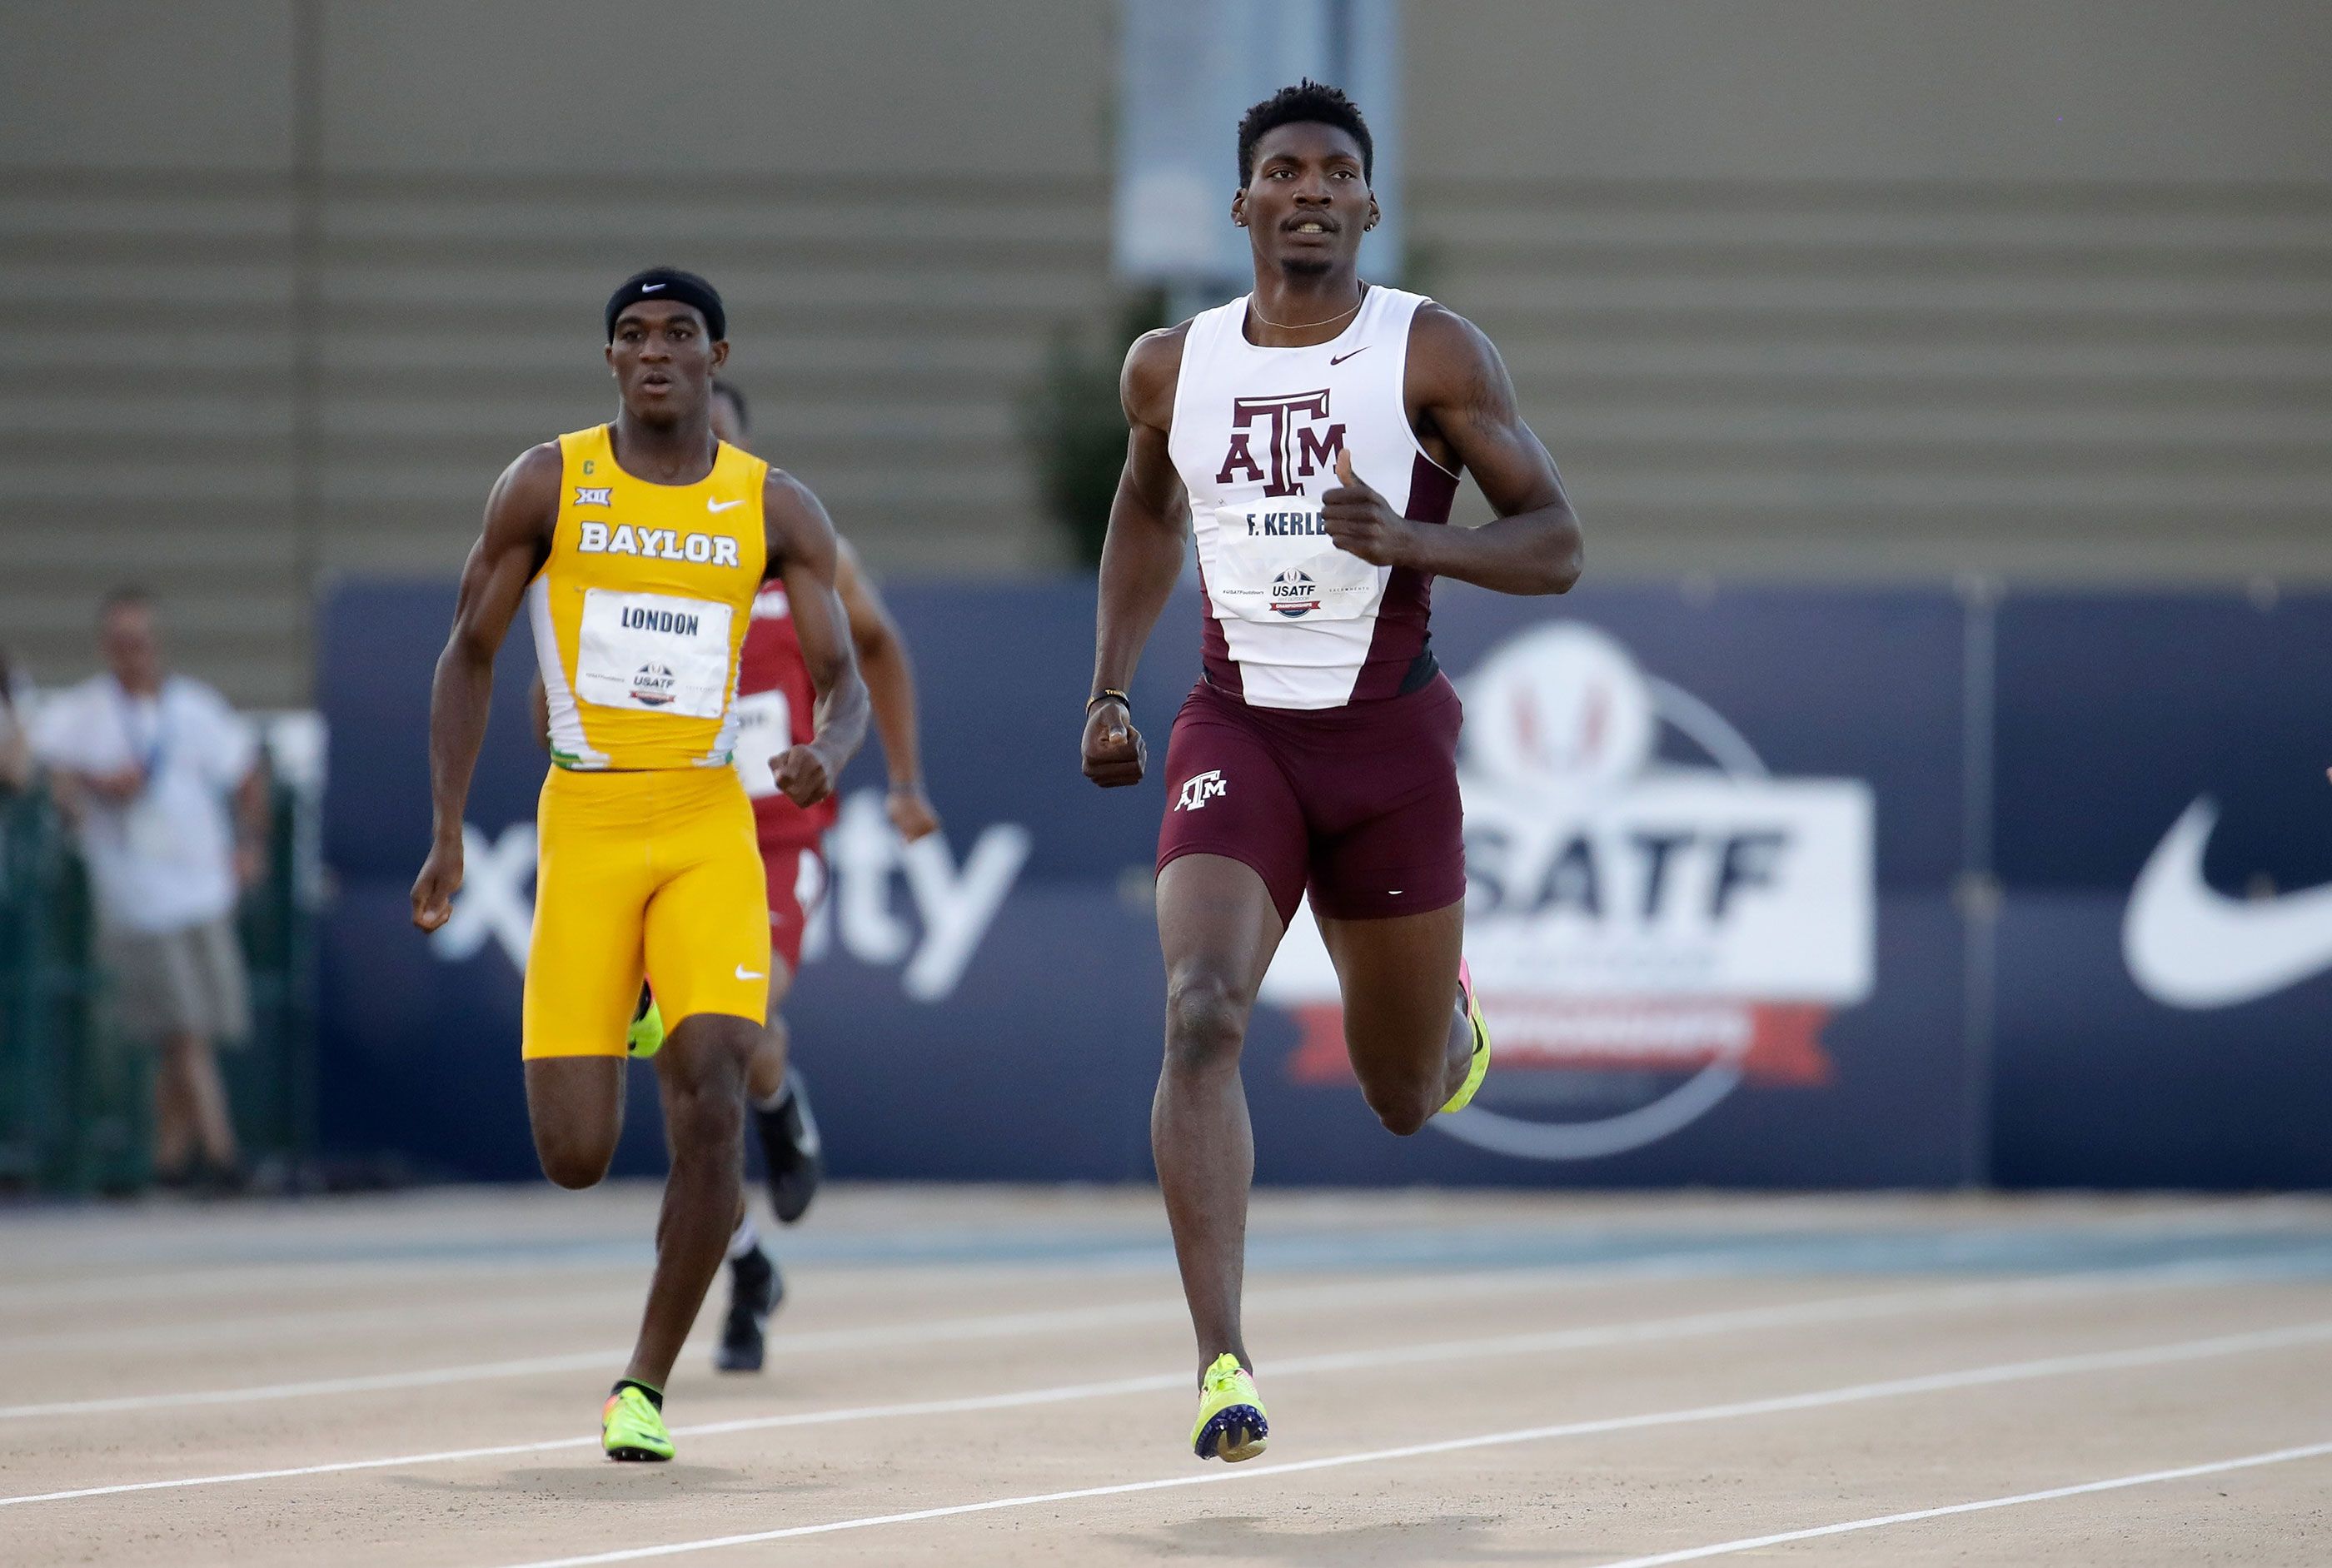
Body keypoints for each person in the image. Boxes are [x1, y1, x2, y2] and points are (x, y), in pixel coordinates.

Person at [1081, 81, 1582, 1462]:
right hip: (1236, 732)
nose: (1309, 191)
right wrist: (1112, 684)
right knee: (1199, 1013)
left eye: (1335, 173)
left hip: (1388, 744)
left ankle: (1445, 1025)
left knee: (1405, 1094)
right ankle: (1221, 1360)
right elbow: (1143, 507)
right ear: (1243, 202)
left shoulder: (1429, 351)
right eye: (1283, 171)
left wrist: (1414, 543)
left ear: (1369, 202)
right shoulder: (1169, 367)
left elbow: (1556, 543)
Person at [410, 267, 869, 1463]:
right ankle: (631, 1007)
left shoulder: (774, 507)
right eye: (631, 335)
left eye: (677, 334)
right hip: (590, 822)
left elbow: (845, 672)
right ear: (609, 360)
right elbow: (468, 653)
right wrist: (450, 827)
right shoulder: (550, 482)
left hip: (710, 819)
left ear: (718, 354)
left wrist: (829, 746)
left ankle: (644, 1382)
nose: (654, 351)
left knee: (715, 1083)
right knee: (575, 1155)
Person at [601, 377, 943, 1376]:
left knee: (728, 1031)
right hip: (665, 831)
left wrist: (907, 781)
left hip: (773, 839)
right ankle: (744, 1264)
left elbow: (876, 646)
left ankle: (777, 1092)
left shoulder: (794, 544)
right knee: (681, 1066)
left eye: (713, 441)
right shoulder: (632, 555)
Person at [32, 590, 268, 1191]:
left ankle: (168, 1163)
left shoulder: (192, 708)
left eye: (141, 641)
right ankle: (221, 1155)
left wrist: (249, 845)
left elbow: (246, 773)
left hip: (202, 891)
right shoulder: (84, 712)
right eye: (120, 643)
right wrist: (89, 783)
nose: (132, 654)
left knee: (193, 1033)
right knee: (183, 1029)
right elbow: (38, 766)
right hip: (138, 898)